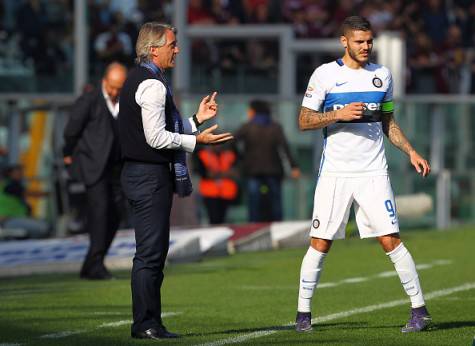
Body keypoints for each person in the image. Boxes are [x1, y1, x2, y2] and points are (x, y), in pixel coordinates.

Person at [295, 16, 432, 334]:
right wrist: (337, 114)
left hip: (373, 173)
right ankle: (303, 315)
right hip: (335, 174)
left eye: (369, 41)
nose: (366, 47)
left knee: (391, 240)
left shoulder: (382, 76)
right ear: (344, 42)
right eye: (359, 41)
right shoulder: (326, 74)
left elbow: (389, 123)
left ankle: (420, 311)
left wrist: (411, 151)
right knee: (320, 242)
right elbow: (303, 120)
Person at [118, 22, 233, 340]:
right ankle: (146, 323)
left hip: (140, 174)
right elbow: (156, 137)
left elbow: (156, 128)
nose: (177, 49)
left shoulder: (138, 79)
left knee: (150, 252)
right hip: (148, 175)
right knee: (151, 254)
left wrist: (195, 121)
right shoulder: (153, 85)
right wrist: (197, 142)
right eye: (172, 44)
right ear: (154, 48)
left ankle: (148, 321)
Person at [63, 62, 128, 280]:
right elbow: (72, 130)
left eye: (120, 87)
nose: (115, 92)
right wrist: (68, 153)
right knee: (100, 214)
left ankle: (91, 264)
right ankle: (96, 264)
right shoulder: (89, 101)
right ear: (104, 82)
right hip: (95, 167)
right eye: (112, 87)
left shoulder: (126, 103)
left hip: (118, 168)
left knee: (117, 214)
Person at [235, 99, 300, 222]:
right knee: (275, 203)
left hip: (252, 170)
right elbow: (285, 148)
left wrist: (240, 158)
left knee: (254, 203)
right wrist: (294, 167)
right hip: (273, 170)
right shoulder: (275, 127)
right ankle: (278, 227)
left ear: (254, 111)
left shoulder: (247, 127)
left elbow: (232, 142)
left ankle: (253, 227)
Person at [0, 164, 50, 238]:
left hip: (13, 219)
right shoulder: (9, 185)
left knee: (42, 224)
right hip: (9, 220)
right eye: (18, 171)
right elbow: (30, 193)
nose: (21, 174)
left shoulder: (9, 184)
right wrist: (50, 193)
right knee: (42, 228)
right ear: (10, 173)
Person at [195, 142, 239, 224]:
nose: (217, 146)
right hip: (210, 192)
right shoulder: (203, 155)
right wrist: (224, 174)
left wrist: (216, 174)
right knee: (213, 218)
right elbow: (204, 173)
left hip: (226, 192)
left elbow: (235, 173)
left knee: (224, 219)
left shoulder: (229, 154)